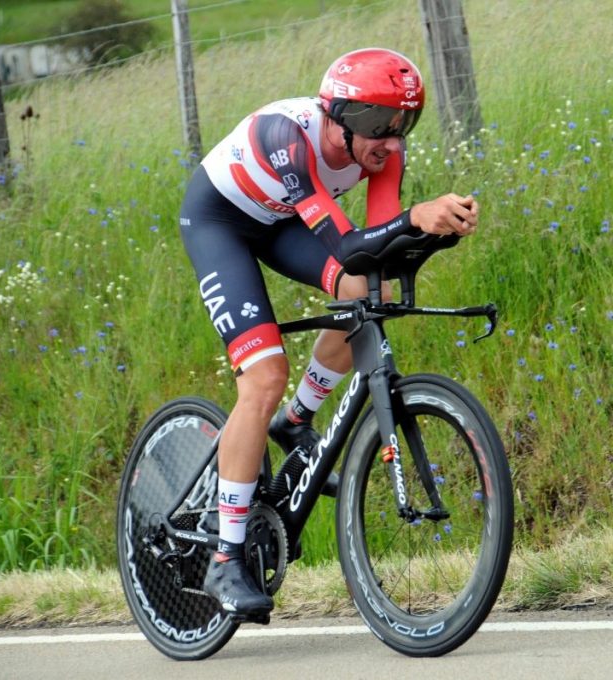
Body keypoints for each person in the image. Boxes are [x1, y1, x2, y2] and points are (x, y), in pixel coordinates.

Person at [178, 47, 479, 618]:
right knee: (264, 377)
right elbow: (346, 244)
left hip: (281, 221)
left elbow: (374, 251)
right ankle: (224, 557)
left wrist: (435, 230)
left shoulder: (385, 151)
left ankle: (295, 421)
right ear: (342, 117)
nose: (392, 140)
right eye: (381, 123)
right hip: (221, 222)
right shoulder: (287, 137)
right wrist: (415, 217)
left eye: (404, 123)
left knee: (369, 292)